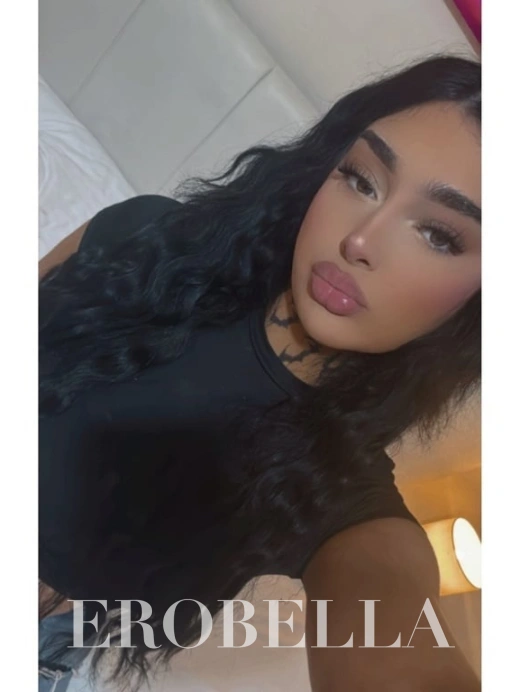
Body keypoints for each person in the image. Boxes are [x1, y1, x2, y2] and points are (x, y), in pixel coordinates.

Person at [39, 54, 481, 691]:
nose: (361, 240)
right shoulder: (147, 238)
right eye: (362, 178)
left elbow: (393, 638)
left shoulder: (339, 496)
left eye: (439, 235)